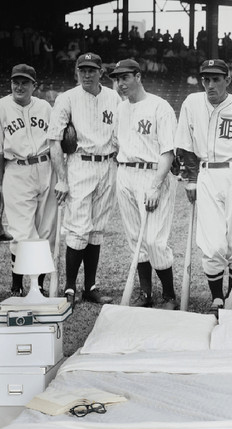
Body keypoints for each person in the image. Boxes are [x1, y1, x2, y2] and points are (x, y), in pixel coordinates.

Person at [175, 59, 232, 312]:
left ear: (228, 80)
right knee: (211, 244)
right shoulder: (192, 102)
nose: (210, 84)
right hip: (206, 175)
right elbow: (185, 142)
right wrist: (190, 179)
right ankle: (217, 297)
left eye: (216, 79)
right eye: (206, 79)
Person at [48, 52, 121, 306]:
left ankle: (90, 286)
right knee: (79, 227)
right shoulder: (66, 98)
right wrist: (61, 178)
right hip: (80, 163)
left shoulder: (113, 97)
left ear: (101, 71)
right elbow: (55, 141)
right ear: (77, 72)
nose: (87, 74)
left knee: (97, 229)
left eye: (92, 70)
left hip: (107, 163)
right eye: (82, 70)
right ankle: (69, 287)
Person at [109, 59, 178, 308]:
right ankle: (146, 294)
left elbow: (168, 151)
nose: (120, 84)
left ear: (138, 76)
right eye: (117, 79)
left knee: (154, 241)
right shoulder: (121, 109)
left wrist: (156, 185)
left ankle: (169, 294)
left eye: (125, 78)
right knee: (135, 239)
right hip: (126, 172)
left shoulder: (160, 106)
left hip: (152, 174)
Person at [0, 64, 58, 295]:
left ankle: (39, 286)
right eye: (16, 81)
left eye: (25, 82)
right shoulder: (2, 106)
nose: (19, 86)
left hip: (46, 168)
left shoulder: (45, 107)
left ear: (35, 85)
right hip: (17, 169)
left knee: (46, 231)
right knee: (22, 232)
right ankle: (18, 285)